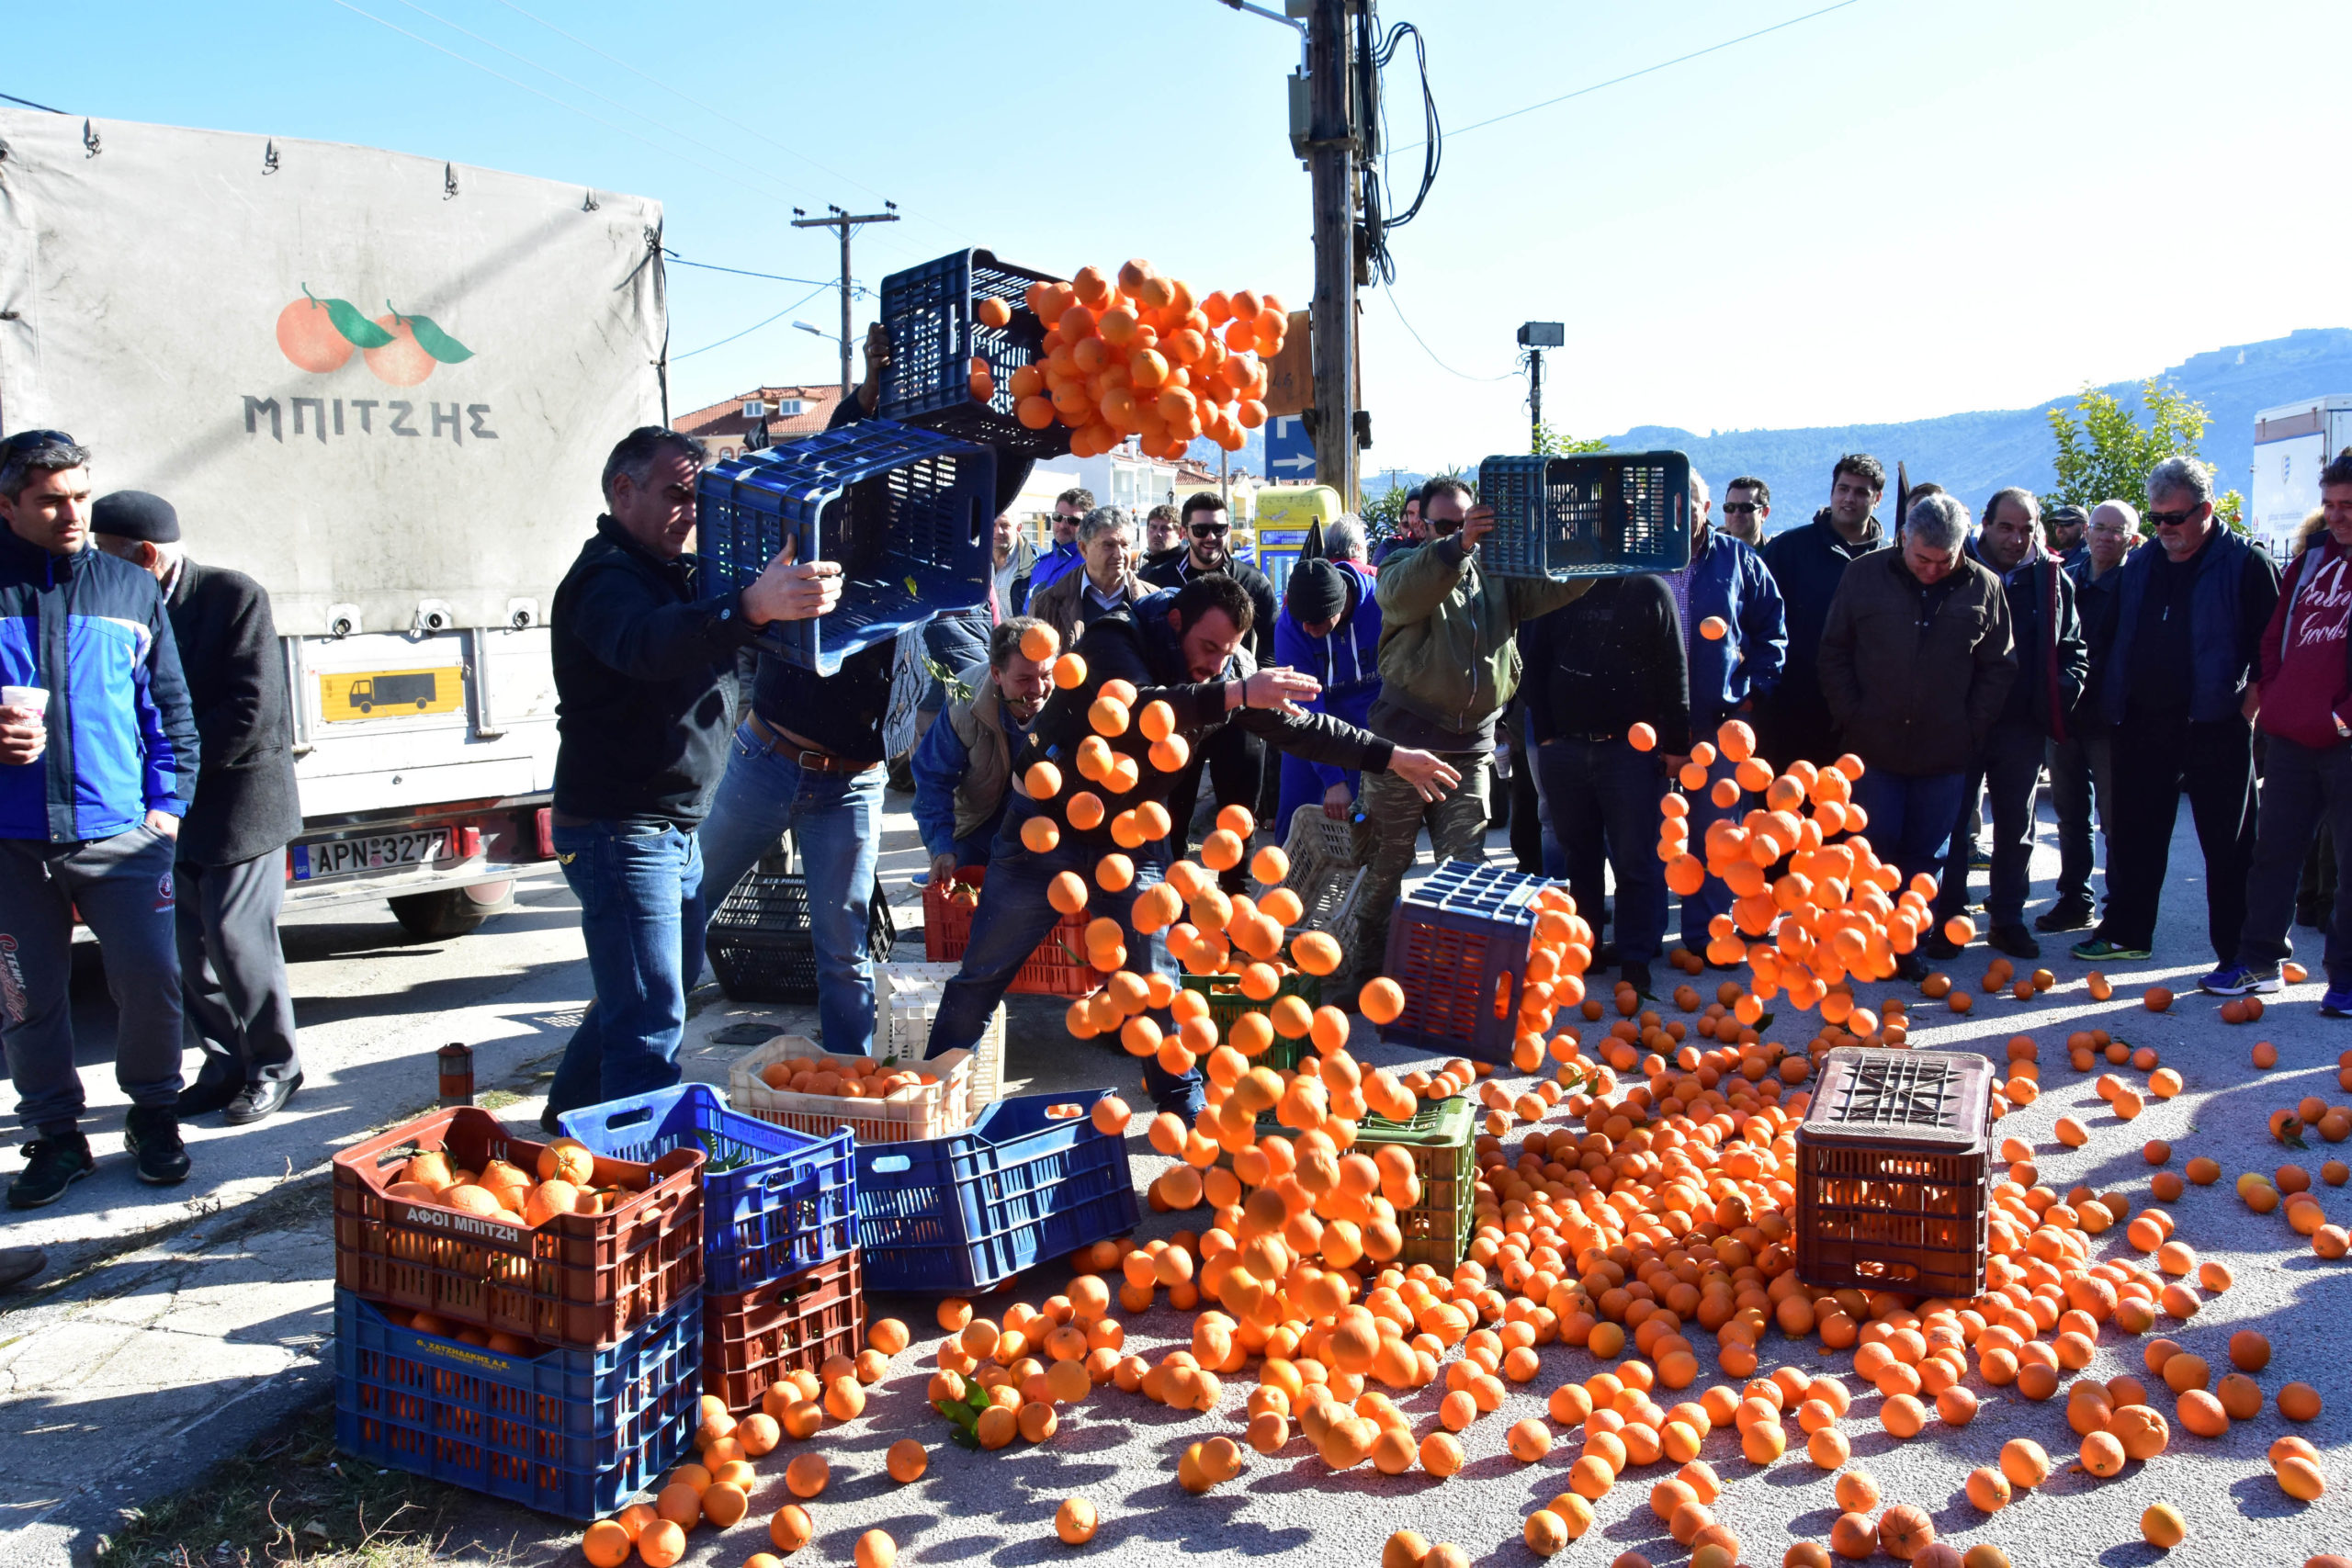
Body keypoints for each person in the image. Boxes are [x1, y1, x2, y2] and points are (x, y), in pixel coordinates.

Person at [923, 574, 1459, 1115]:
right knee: (985, 970)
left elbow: (1302, 729)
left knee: (1156, 977)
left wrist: (1393, 756)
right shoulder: (1115, 637)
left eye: (1227, 653)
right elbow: (1138, 709)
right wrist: (1236, 693)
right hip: (1045, 829)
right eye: (1207, 647)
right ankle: (926, 1096)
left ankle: (1184, 1105)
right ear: (1176, 622)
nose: (1214, 663)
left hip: (1129, 836)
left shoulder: (1225, 675)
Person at [543, 427, 841, 1125]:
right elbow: (646, 645)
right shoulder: (605, 580)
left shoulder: (667, 571)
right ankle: (643, 1170)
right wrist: (748, 607)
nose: (690, 512)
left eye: (696, 497)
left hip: (668, 827)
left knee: (647, 990)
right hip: (621, 828)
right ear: (623, 490)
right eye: (676, 493)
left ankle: (568, 1121)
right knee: (650, 1016)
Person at [0, 431, 201, 1205]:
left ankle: (154, 1116)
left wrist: (166, 812)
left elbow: (170, 710)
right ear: (8, 506)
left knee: (152, 980)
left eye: (80, 495)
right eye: (51, 500)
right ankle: (55, 1136)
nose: (72, 513)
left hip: (123, 836)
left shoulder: (128, 586)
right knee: (26, 997)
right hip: (13, 843)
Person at [90, 491, 306, 1124]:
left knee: (237, 938)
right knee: (189, 949)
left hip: (239, 803)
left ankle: (276, 1066)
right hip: (166, 806)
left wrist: (170, 767)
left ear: (145, 555)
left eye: (106, 554)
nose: (97, 566)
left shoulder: (233, 596)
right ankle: (225, 1065)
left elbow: (251, 709)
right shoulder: (125, 602)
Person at [1352, 479, 1591, 984]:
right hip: (1402, 750)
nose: (1464, 534)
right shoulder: (1401, 565)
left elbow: (1555, 586)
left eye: (1469, 524)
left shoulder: (1496, 574)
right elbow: (1400, 595)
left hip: (1468, 748)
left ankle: (1458, 980)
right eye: (1446, 526)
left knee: (1466, 872)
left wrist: (1593, 552)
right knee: (1383, 866)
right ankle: (1364, 973)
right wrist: (1455, 548)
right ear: (1421, 526)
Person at [2075, 457, 2280, 969]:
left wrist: (2247, 712)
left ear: (2205, 510)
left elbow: (2271, 650)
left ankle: (2240, 953)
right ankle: (2127, 932)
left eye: (2175, 518)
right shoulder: (2141, 563)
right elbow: (2112, 636)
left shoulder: (2245, 563)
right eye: (2157, 518)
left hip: (2216, 724)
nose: (2164, 528)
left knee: (2229, 847)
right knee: (2135, 837)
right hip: (2142, 721)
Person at [1816, 492, 2017, 977]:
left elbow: (1999, 667)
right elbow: (1834, 652)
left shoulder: (1985, 586)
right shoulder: (1863, 575)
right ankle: (1866, 943)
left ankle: (1908, 946)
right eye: (1923, 559)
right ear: (1904, 538)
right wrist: (1852, 715)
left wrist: (1971, 726)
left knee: (1926, 859)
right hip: (1872, 747)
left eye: (1944, 561)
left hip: (1944, 751)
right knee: (1871, 851)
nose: (1931, 570)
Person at [2211, 456, 2352, 1007]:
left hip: (2345, 741)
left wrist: (2341, 717)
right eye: (2330, 505)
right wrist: (2276, 695)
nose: (2337, 516)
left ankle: (2345, 979)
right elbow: (2275, 634)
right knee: (2273, 854)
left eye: (2349, 506)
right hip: (2292, 736)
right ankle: (2258, 963)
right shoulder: (2312, 558)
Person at [1928, 489, 2086, 961]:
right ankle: (1948, 917)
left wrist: (2056, 694)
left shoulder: (2051, 578)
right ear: (1985, 524)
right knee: (1953, 823)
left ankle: (2007, 919)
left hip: (2021, 725)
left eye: (2025, 529)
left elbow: (2073, 647)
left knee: (2017, 825)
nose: (2016, 539)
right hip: (1959, 721)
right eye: (2006, 528)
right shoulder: (1954, 569)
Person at [1519, 572, 1690, 994]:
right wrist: (1547, 735)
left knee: (1635, 859)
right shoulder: (1558, 587)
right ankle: (1587, 951)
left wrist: (1677, 745)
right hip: (1566, 749)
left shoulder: (1649, 589)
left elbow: (1674, 669)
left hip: (1631, 753)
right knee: (1578, 857)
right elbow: (1531, 662)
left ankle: (1635, 956)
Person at [1656, 469, 1787, 961]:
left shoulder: (1739, 560)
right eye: (1666, 506)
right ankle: (1644, 937)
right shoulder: (1637, 562)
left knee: (1716, 836)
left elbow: (1772, 633)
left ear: (1706, 508)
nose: (1676, 516)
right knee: (1651, 835)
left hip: (1720, 721)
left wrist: (1751, 695)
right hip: (1650, 724)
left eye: (1687, 504)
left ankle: (1708, 936)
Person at [1144, 493, 1279, 886]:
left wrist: (1257, 692)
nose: (1211, 537)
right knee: (1172, 815)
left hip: (1236, 713)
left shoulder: (1253, 582)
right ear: (1184, 532)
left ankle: (1235, 898)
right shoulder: (1158, 578)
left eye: (1219, 529)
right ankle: (1171, 899)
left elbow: (1270, 648)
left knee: (1238, 817)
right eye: (1201, 529)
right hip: (1178, 714)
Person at [2040, 500, 2137, 932]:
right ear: (2087, 530)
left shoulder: (2137, 586)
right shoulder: (2069, 578)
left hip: (2112, 720)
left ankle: (2121, 906)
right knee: (2070, 814)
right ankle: (2075, 899)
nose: (2105, 537)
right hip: (2068, 716)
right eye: (2099, 527)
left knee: (2116, 820)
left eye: (2116, 530)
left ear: (2131, 538)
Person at [1759, 455, 1888, 769]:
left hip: (1861, 715)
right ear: (1832, 492)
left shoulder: (1890, 561)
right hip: (1792, 708)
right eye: (1843, 489)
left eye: (1860, 492)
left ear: (1877, 499)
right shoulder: (1789, 549)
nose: (1849, 498)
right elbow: (1756, 617)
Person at [911, 616, 1054, 887]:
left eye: (1046, 676)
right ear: (996, 674)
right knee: (963, 883)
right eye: (1024, 679)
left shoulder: (1069, 699)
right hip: (982, 825)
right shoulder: (964, 703)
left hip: (1049, 829)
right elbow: (932, 778)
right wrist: (941, 847)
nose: (1038, 689)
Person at [1272, 524, 1384, 828]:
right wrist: (1333, 780)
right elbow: (1303, 706)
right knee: (1295, 815)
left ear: (1340, 605)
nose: (1307, 629)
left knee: (1367, 822)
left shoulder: (1381, 605)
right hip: (1312, 726)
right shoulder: (1290, 626)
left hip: (1372, 727)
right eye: (1302, 620)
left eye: (1316, 622)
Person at [1029, 506, 1148, 649]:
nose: (1119, 554)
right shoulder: (1047, 604)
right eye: (1108, 545)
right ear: (1083, 549)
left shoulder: (1154, 601)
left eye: (1125, 545)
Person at [1021, 489, 1092, 610]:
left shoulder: (1091, 565)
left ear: (1087, 525)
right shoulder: (1040, 565)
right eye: (1058, 517)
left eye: (1073, 521)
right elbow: (1027, 612)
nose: (1063, 525)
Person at [990, 510, 1035, 624]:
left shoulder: (1036, 563)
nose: (998, 531)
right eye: (993, 525)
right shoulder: (974, 563)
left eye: (1005, 525)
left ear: (1018, 528)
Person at [1374, 488, 1425, 565]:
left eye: (1421, 512)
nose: (1415, 520)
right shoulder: (1394, 555)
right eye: (1411, 513)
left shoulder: (1443, 548)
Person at [1721, 476, 1771, 547]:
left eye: (1745, 508)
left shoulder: (1777, 552)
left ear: (1764, 513)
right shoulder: (1709, 551)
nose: (1736, 514)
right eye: (1730, 507)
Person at [2045, 503, 2090, 570]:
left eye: (2066, 523)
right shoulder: (2061, 555)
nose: (2059, 530)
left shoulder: (2088, 556)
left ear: (2085, 527)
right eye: (2056, 525)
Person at [1142, 503, 1184, 567]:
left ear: (1180, 535)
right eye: (1153, 527)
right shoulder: (1145, 569)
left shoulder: (1184, 569)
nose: (1157, 534)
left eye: (1165, 528)